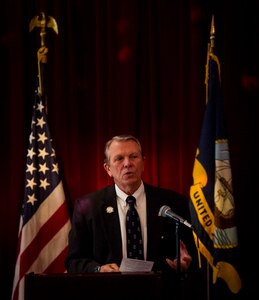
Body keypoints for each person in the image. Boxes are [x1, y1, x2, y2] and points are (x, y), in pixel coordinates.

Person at [65, 134, 198, 298]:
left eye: (133, 156)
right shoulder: (87, 207)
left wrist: (183, 264)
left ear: (143, 162)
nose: (127, 163)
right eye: (119, 159)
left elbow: (188, 254)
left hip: (160, 293)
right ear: (108, 169)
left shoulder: (172, 202)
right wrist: (98, 269)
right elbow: (74, 261)